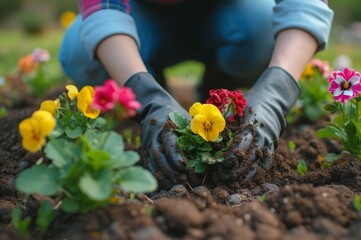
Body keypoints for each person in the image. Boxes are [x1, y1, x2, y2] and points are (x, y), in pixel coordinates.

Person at [59, 0, 334, 189]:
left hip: (231, 15)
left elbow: (305, 4)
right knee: (80, 52)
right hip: (141, 16)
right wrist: (147, 97)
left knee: (263, 28)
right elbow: (104, 8)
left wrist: (276, 91)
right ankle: (151, 79)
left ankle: (221, 84)